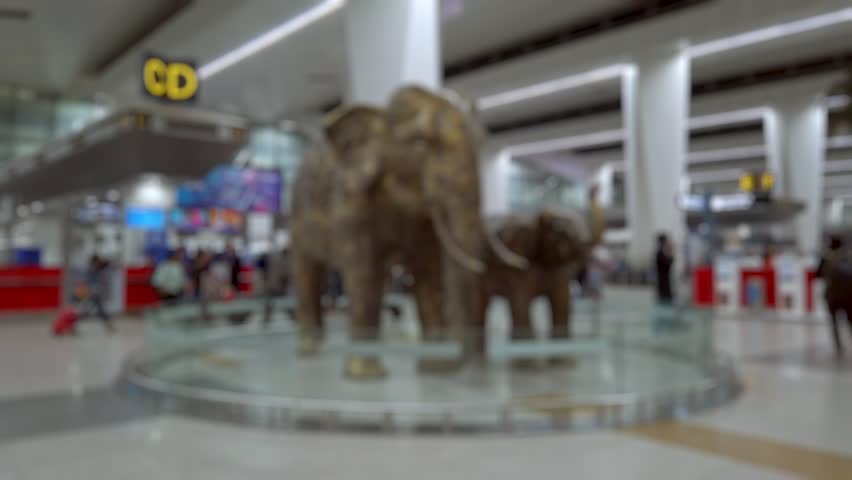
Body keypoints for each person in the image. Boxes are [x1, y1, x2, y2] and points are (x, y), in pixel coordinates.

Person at [817, 236, 852, 356]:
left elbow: (817, 274)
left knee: (834, 322)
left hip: (832, 296)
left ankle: (838, 347)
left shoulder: (826, 258)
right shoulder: (847, 257)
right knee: (850, 321)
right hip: (848, 296)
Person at [82, 255, 114, 332]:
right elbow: (88, 282)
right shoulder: (92, 270)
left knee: (97, 310)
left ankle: (108, 324)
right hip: (91, 293)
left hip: (94, 294)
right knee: (88, 311)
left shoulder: (96, 269)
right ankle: (72, 323)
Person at [655, 233, 675, 303]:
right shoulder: (660, 252)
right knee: (664, 297)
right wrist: (671, 252)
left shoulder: (660, 251)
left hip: (663, 279)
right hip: (663, 280)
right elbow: (669, 262)